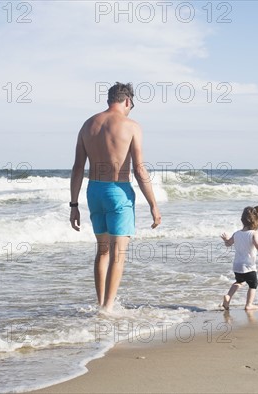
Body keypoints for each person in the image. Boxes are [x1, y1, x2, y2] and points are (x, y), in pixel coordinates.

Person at [69, 82, 161, 313]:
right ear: (128, 101)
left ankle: (101, 303)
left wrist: (74, 205)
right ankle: (108, 309)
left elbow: (78, 167)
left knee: (102, 251)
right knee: (118, 254)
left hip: (94, 192)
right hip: (118, 192)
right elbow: (139, 169)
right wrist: (153, 205)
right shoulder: (131, 126)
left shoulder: (88, 125)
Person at [220, 206, 258, 310]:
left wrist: (226, 239)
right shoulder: (253, 233)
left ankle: (228, 296)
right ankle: (249, 304)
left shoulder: (236, 233)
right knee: (253, 284)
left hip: (237, 265)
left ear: (242, 220)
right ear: (256, 221)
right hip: (248, 266)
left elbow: (228, 244)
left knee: (239, 282)